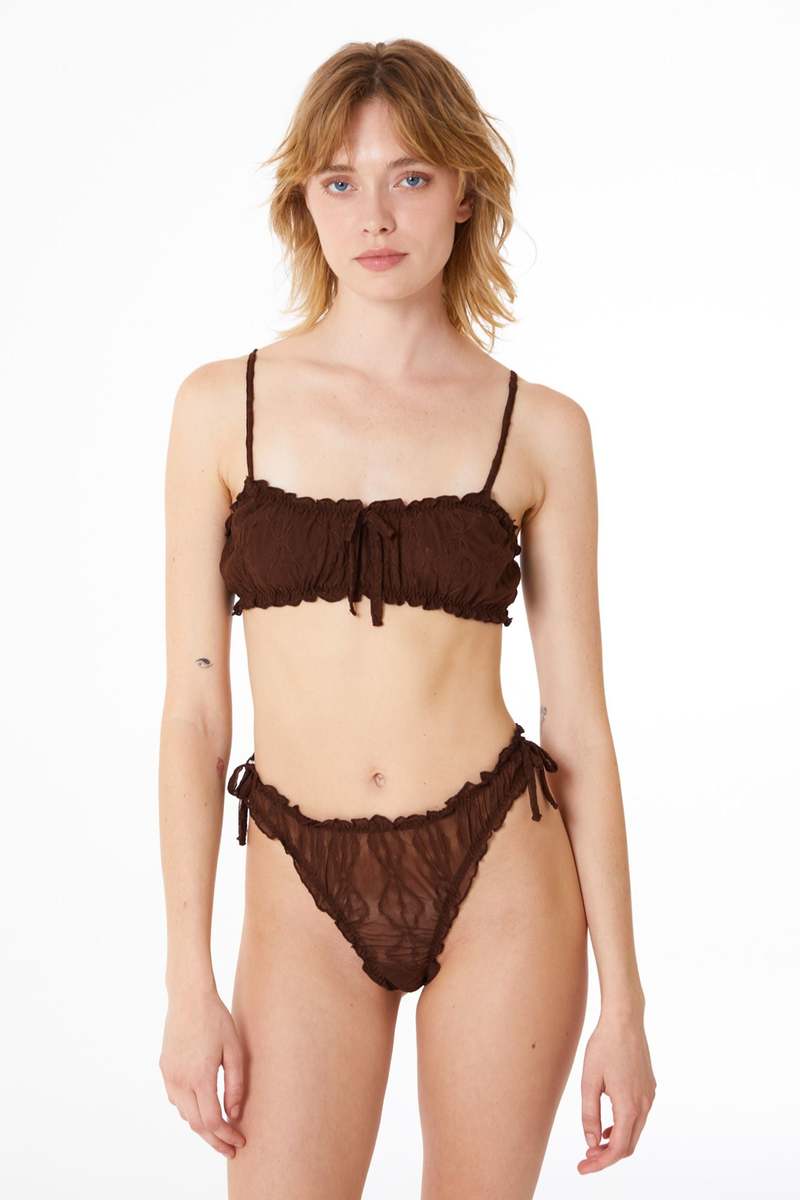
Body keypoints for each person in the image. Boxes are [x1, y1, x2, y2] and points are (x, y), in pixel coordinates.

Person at [158, 38, 656, 1199]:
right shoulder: (221, 407)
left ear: (464, 191)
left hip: (500, 873)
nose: (374, 215)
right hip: (298, 885)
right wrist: (187, 982)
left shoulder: (541, 429)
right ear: (304, 201)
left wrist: (624, 1007)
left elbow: (577, 725)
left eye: (410, 176)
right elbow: (193, 715)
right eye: (340, 181)